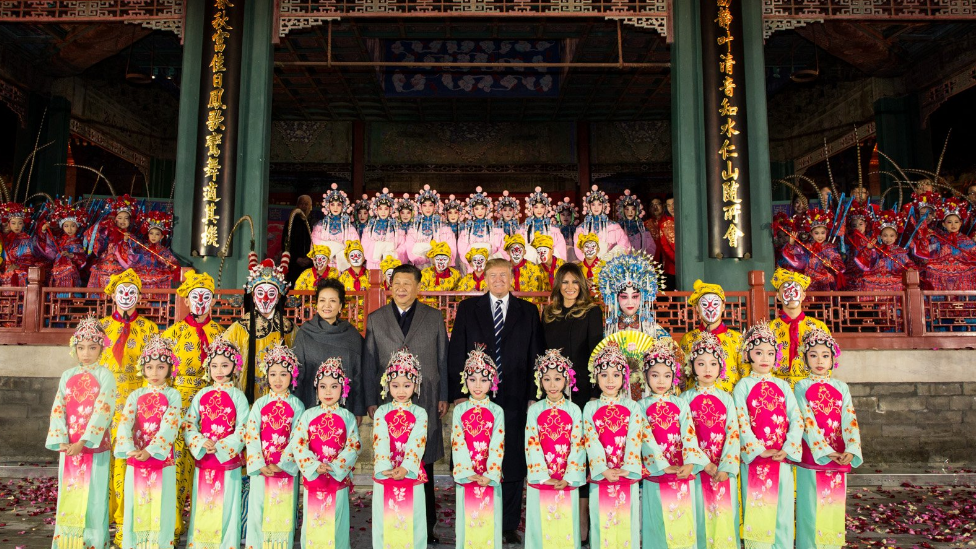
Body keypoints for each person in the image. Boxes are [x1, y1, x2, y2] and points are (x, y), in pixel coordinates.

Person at [448, 258, 545, 545]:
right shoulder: (468, 309)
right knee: (477, 453)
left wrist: (533, 395)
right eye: (493, 275)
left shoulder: (527, 311)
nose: (498, 280)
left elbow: (535, 355)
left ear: (512, 278)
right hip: (477, 394)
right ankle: (479, 515)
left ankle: (508, 524)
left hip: (515, 396)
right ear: (485, 279)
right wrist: (458, 392)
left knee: (513, 458)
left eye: (504, 275)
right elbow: (457, 352)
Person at [363, 263, 449, 544]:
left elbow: (442, 360)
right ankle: (391, 520)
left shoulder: (434, 317)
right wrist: (371, 400)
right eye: (397, 283)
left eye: (407, 283)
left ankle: (426, 525)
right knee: (391, 457)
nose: (401, 288)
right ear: (390, 286)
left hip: (425, 399)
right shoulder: (376, 319)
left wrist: (444, 395)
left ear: (418, 287)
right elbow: (369, 363)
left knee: (423, 461)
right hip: (390, 400)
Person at [162, 269, 224, 536]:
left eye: (206, 297)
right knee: (175, 468)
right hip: (179, 406)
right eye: (195, 296)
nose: (201, 301)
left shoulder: (222, 333)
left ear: (212, 300)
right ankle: (172, 527)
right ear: (186, 300)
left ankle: (205, 530)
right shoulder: (172, 333)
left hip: (211, 410)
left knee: (208, 469)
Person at [46, 316, 116, 549]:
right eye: (81, 348)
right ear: (74, 348)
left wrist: (84, 440)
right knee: (70, 493)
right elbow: (58, 409)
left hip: (94, 446)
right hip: (69, 447)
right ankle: (68, 542)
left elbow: (103, 410)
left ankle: (94, 542)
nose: (86, 353)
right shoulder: (67, 375)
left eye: (92, 348)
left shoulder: (105, 376)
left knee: (95, 497)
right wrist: (62, 441)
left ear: (101, 348)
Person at [100, 268, 159, 542]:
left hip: (137, 407)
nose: (126, 296)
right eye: (122, 291)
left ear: (139, 297)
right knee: (106, 461)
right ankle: (106, 516)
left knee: (129, 461)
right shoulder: (101, 328)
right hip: (106, 405)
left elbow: (158, 369)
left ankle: (127, 517)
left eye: (132, 293)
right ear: (113, 294)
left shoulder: (149, 328)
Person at [733, 322, 804, 549]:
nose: (765, 357)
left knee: (783, 511)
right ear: (748, 355)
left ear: (777, 357)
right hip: (757, 459)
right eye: (758, 352)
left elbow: (796, 418)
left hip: (780, 457)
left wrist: (788, 447)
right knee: (758, 509)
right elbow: (740, 420)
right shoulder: (742, 386)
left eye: (770, 353)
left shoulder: (783, 386)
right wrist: (757, 449)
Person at [793, 328, 862, 549]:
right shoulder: (801, 386)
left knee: (833, 507)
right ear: (805, 359)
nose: (819, 361)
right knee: (811, 508)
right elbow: (806, 422)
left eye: (825, 355)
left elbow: (849, 418)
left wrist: (850, 449)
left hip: (840, 455)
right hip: (813, 456)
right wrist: (826, 450)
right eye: (813, 355)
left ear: (833, 359)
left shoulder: (841, 387)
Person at [113, 334, 183, 549]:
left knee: (161, 502)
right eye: (150, 367)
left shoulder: (173, 395)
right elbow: (125, 423)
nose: (154, 372)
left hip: (161, 457)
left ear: (170, 369)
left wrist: (151, 450)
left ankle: (159, 544)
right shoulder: (136, 395)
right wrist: (131, 449)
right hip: (137, 456)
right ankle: (136, 544)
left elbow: (170, 425)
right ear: (142, 368)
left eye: (160, 367)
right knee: (138, 500)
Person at [638, 338, 708, 549]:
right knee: (657, 523)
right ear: (646, 377)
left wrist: (689, 463)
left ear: (674, 377)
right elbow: (645, 438)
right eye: (655, 375)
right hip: (657, 472)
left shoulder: (681, 403)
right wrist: (661, 465)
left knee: (682, 523)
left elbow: (689, 434)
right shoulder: (640, 406)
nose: (661, 381)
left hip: (681, 470)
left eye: (667, 376)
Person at [182, 335, 250, 549]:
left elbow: (243, 428)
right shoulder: (201, 394)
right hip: (205, 458)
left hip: (226, 460)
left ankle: (226, 544)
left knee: (227, 506)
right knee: (203, 504)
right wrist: (201, 442)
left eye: (225, 365)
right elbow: (189, 424)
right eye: (214, 365)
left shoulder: (239, 396)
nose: (219, 370)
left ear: (234, 366)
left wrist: (220, 446)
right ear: (208, 367)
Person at [287, 358, 361, 549]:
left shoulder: (348, 418)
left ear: (343, 389)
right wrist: (313, 465)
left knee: (338, 523)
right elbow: (298, 442)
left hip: (337, 477)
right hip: (315, 476)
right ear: (316, 389)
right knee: (313, 523)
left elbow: (353, 446)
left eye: (334, 386)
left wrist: (335, 467)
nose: (328, 392)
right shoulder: (308, 415)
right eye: (323, 386)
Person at [680, 332, 741, 549]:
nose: (707, 369)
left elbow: (733, 434)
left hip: (721, 467)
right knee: (696, 514)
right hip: (697, 468)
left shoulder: (727, 398)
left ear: (720, 367)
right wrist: (703, 463)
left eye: (713, 363)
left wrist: (726, 466)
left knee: (722, 515)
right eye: (701, 363)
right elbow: (684, 437)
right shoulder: (684, 399)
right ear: (692, 366)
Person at [582, 341, 644, 548]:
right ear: (595, 377)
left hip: (626, 472)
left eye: (616, 375)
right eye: (604, 375)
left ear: (624, 378)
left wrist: (627, 467)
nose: (610, 380)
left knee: (627, 522)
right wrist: (602, 469)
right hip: (603, 474)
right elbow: (591, 441)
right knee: (603, 523)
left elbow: (635, 438)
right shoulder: (590, 408)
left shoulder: (633, 406)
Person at [243, 343, 305, 549]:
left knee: (282, 514)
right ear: (266, 376)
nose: (278, 380)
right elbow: (251, 435)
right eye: (273, 374)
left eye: (283, 374)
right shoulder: (259, 404)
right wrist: (260, 463)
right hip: (262, 468)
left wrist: (283, 463)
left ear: (292, 376)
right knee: (259, 511)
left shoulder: (297, 405)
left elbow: (298, 438)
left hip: (283, 469)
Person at [524, 349, 586, 549]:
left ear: (567, 380)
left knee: (565, 529)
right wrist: (543, 476)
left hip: (566, 476)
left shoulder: (574, 410)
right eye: (547, 379)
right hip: (542, 476)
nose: (552, 385)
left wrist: (569, 476)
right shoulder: (534, 410)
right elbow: (531, 443)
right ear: (540, 380)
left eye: (558, 379)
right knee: (541, 529)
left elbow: (578, 445)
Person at [372, 348, 429, 549]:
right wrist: (387, 468)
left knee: (412, 521)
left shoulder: (420, 413)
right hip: (386, 471)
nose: (401, 391)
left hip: (410, 472)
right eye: (395, 385)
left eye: (407, 385)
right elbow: (380, 441)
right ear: (387, 385)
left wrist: (406, 467)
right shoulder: (381, 411)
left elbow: (417, 441)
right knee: (384, 522)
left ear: (416, 384)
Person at [452, 345, 506, 549]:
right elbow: (458, 442)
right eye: (472, 379)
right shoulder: (460, 410)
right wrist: (468, 472)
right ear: (465, 380)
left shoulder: (497, 411)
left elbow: (497, 444)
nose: (477, 385)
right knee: (468, 524)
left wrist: (491, 473)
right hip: (468, 475)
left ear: (492, 382)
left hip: (489, 474)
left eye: (484, 380)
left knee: (488, 523)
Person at [224, 255, 296, 402]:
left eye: (271, 294)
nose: (265, 299)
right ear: (253, 297)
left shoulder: (289, 328)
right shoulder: (239, 328)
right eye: (260, 293)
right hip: (247, 396)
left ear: (277, 298)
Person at [293, 278, 365, 414]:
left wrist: (358, 410)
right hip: (311, 408)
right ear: (316, 305)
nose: (327, 305)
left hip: (344, 410)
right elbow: (297, 375)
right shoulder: (304, 333)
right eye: (322, 300)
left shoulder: (351, 335)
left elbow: (358, 375)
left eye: (332, 301)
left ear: (340, 306)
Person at [678, 280, 745, 392]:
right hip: (696, 400)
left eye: (715, 304)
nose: (710, 308)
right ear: (697, 309)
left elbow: (745, 373)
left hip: (729, 401)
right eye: (704, 304)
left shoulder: (737, 339)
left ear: (723, 306)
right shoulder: (688, 339)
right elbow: (681, 376)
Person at [769, 268, 831, 388]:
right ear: (778, 296)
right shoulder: (769, 329)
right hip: (778, 387)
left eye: (795, 290)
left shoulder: (818, 327)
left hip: (810, 385)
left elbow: (828, 361)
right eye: (786, 290)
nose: (791, 294)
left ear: (803, 295)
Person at [598, 251, 670, 340]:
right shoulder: (609, 331)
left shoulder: (652, 330)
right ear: (615, 298)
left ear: (643, 297)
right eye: (624, 297)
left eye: (635, 296)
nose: (630, 302)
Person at [916, 196, 976, 290]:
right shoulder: (938, 238)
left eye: (956, 222)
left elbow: (973, 254)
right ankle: (938, 300)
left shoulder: (965, 239)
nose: (953, 225)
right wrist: (924, 239)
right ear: (944, 224)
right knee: (930, 267)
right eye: (949, 222)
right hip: (942, 266)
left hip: (961, 267)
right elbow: (930, 254)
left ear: (960, 223)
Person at [778, 209, 844, 291]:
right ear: (811, 233)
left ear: (826, 232)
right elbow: (797, 257)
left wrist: (831, 264)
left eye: (822, 233)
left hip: (825, 281)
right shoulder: (806, 246)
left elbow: (838, 261)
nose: (820, 236)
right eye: (816, 233)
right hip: (810, 281)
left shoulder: (830, 247)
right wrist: (791, 244)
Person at [849, 209, 915, 291]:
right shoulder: (877, 248)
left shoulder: (900, 251)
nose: (888, 239)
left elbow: (908, 262)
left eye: (891, 236)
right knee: (866, 279)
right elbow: (870, 262)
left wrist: (911, 268)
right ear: (880, 236)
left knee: (900, 281)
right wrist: (868, 249)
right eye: (885, 235)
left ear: (896, 236)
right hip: (877, 274)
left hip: (895, 274)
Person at [85, 195, 140, 289]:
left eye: (126, 218)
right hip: (104, 264)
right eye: (120, 218)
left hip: (121, 267)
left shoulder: (131, 236)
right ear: (115, 219)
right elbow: (97, 241)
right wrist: (101, 227)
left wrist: (126, 241)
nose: (123, 221)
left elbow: (134, 254)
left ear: (130, 221)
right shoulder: (107, 232)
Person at [37, 198, 87, 288]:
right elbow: (49, 248)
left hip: (70, 272)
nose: (69, 229)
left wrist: (70, 255)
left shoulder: (79, 241)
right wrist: (44, 231)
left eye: (73, 226)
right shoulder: (59, 240)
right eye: (66, 226)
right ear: (62, 227)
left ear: (77, 227)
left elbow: (82, 259)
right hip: (56, 269)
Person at [404, 184, 457, 269]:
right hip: (419, 266)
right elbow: (410, 248)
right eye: (424, 205)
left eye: (430, 205)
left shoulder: (444, 226)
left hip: (440, 266)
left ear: (435, 207)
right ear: (420, 207)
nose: (427, 208)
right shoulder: (415, 226)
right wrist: (426, 257)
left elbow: (450, 247)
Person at [574, 185, 630, 261]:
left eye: (599, 204)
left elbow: (624, 245)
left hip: (609, 266)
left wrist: (611, 257)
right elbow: (578, 249)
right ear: (588, 206)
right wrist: (589, 261)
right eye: (593, 204)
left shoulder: (614, 227)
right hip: (589, 265)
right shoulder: (582, 228)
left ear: (604, 206)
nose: (596, 208)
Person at [311, 183, 359, 271]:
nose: (335, 207)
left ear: (343, 206)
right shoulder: (320, 226)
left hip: (344, 268)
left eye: (339, 205)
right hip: (325, 266)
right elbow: (315, 248)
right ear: (327, 206)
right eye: (332, 204)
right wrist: (339, 246)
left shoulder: (349, 228)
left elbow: (355, 248)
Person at [130, 210, 179, 290]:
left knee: (167, 275)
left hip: (158, 274)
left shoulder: (164, 250)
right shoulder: (142, 247)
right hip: (142, 271)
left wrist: (168, 263)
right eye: (151, 233)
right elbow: (132, 254)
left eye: (157, 234)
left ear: (162, 237)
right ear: (148, 234)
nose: (154, 236)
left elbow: (174, 265)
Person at [458, 187, 502, 271]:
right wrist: (471, 261)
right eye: (476, 209)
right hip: (473, 265)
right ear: (472, 210)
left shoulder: (494, 228)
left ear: (487, 209)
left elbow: (501, 246)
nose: (480, 211)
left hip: (491, 264)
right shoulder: (467, 229)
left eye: (482, 208)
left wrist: (492, 259)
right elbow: (462, 249)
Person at [521, 186, 567, 263]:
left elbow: (560, 247)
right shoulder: (523, 227)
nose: (539, 210)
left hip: (548, 261)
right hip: (529, 261)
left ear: (546, 209)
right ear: (531, 208)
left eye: (542, 207)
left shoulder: (552, 228)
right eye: (536, 207)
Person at [361, 188, 403, 270]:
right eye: (380, 209)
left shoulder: (397, 227)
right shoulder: (369, 227)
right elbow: (365, 245)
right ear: (376, 210)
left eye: (386, 209)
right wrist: (385, 246)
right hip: (373, 264)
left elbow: (402, 245)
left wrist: (391, 254)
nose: (383, 212)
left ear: (390, 210)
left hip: (391, 263)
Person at [0, 201, 40, 287]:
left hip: (22, 271)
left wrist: (18, 266)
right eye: (13, 223)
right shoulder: (5, 239)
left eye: (20, 223)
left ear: (23, 224)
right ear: (8, 224)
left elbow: (30, 260)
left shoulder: (27, 239)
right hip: (6, 272)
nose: (17, 226)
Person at [282, 194, 315, 286]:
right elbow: (285, 244)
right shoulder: (290, 223)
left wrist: (310, 259)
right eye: (301, 204)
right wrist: (296, 258)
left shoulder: (313, 223)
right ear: (297, 206)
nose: (304, 206)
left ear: (311, 207)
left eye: (306, 204)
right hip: (294, 264)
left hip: (310, 264)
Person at [616, 189, 656, 257]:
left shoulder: (642, 229)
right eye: (627, 209)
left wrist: (641, 261)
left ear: (637, 211)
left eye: (633, 209)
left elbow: (651, 248)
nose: (630, 212)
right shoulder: (617, 229)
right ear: (622, 210)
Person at [659, 195, 677, 289]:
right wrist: (676, 259)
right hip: (671, 267)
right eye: (669, 205)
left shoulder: (687, 221)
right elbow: (665, 246)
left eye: (674, 204)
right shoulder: (664, 224)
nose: (672, 208)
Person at [555, 197, 580, 262]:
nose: (565, 217)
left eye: (568, 215)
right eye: (563, 215)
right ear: (558, 216)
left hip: (573, 256)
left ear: (572, 216)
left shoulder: (576, 230)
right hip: (559, 256)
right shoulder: (555, 230)